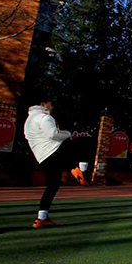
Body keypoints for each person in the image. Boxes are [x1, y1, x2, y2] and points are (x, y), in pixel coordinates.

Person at [24, 95, 90, 229]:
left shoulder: (28, 120)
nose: (52, 107)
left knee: (52, 186)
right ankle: (79, 170)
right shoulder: (44, 117)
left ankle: (41, 218)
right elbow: (53, 134)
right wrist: (68, 134)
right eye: (50, 104)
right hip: (54, 151)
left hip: (42, 157)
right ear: (43, 104)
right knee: (85, 140)